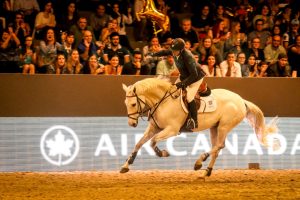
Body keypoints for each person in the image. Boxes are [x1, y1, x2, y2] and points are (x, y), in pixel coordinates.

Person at [154, 38, 206, 130]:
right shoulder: (174, 50)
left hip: (196, 78)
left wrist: (182, 84)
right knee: (172, 91)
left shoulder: (188, 57)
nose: (173, 52)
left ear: (181, 50)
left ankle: (194, 121)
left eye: (175, 51)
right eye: (173, 50)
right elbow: (166, 52)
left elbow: (194, 75)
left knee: (189, 97)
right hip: (184, 75)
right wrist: (154, 54)